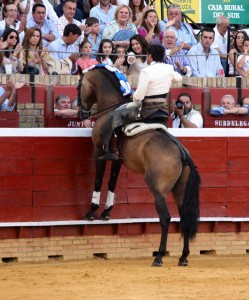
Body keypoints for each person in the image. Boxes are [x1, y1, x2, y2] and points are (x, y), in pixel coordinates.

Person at [100, 44, 182, 160]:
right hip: (163, 110)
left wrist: (131, 94)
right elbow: (179, 78)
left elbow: (139, 97)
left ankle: (113, 150)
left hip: (148, 110)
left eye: (147, 55)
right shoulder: (168, 68)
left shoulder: (146, 71)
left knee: (114, 116)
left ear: (150, 56)